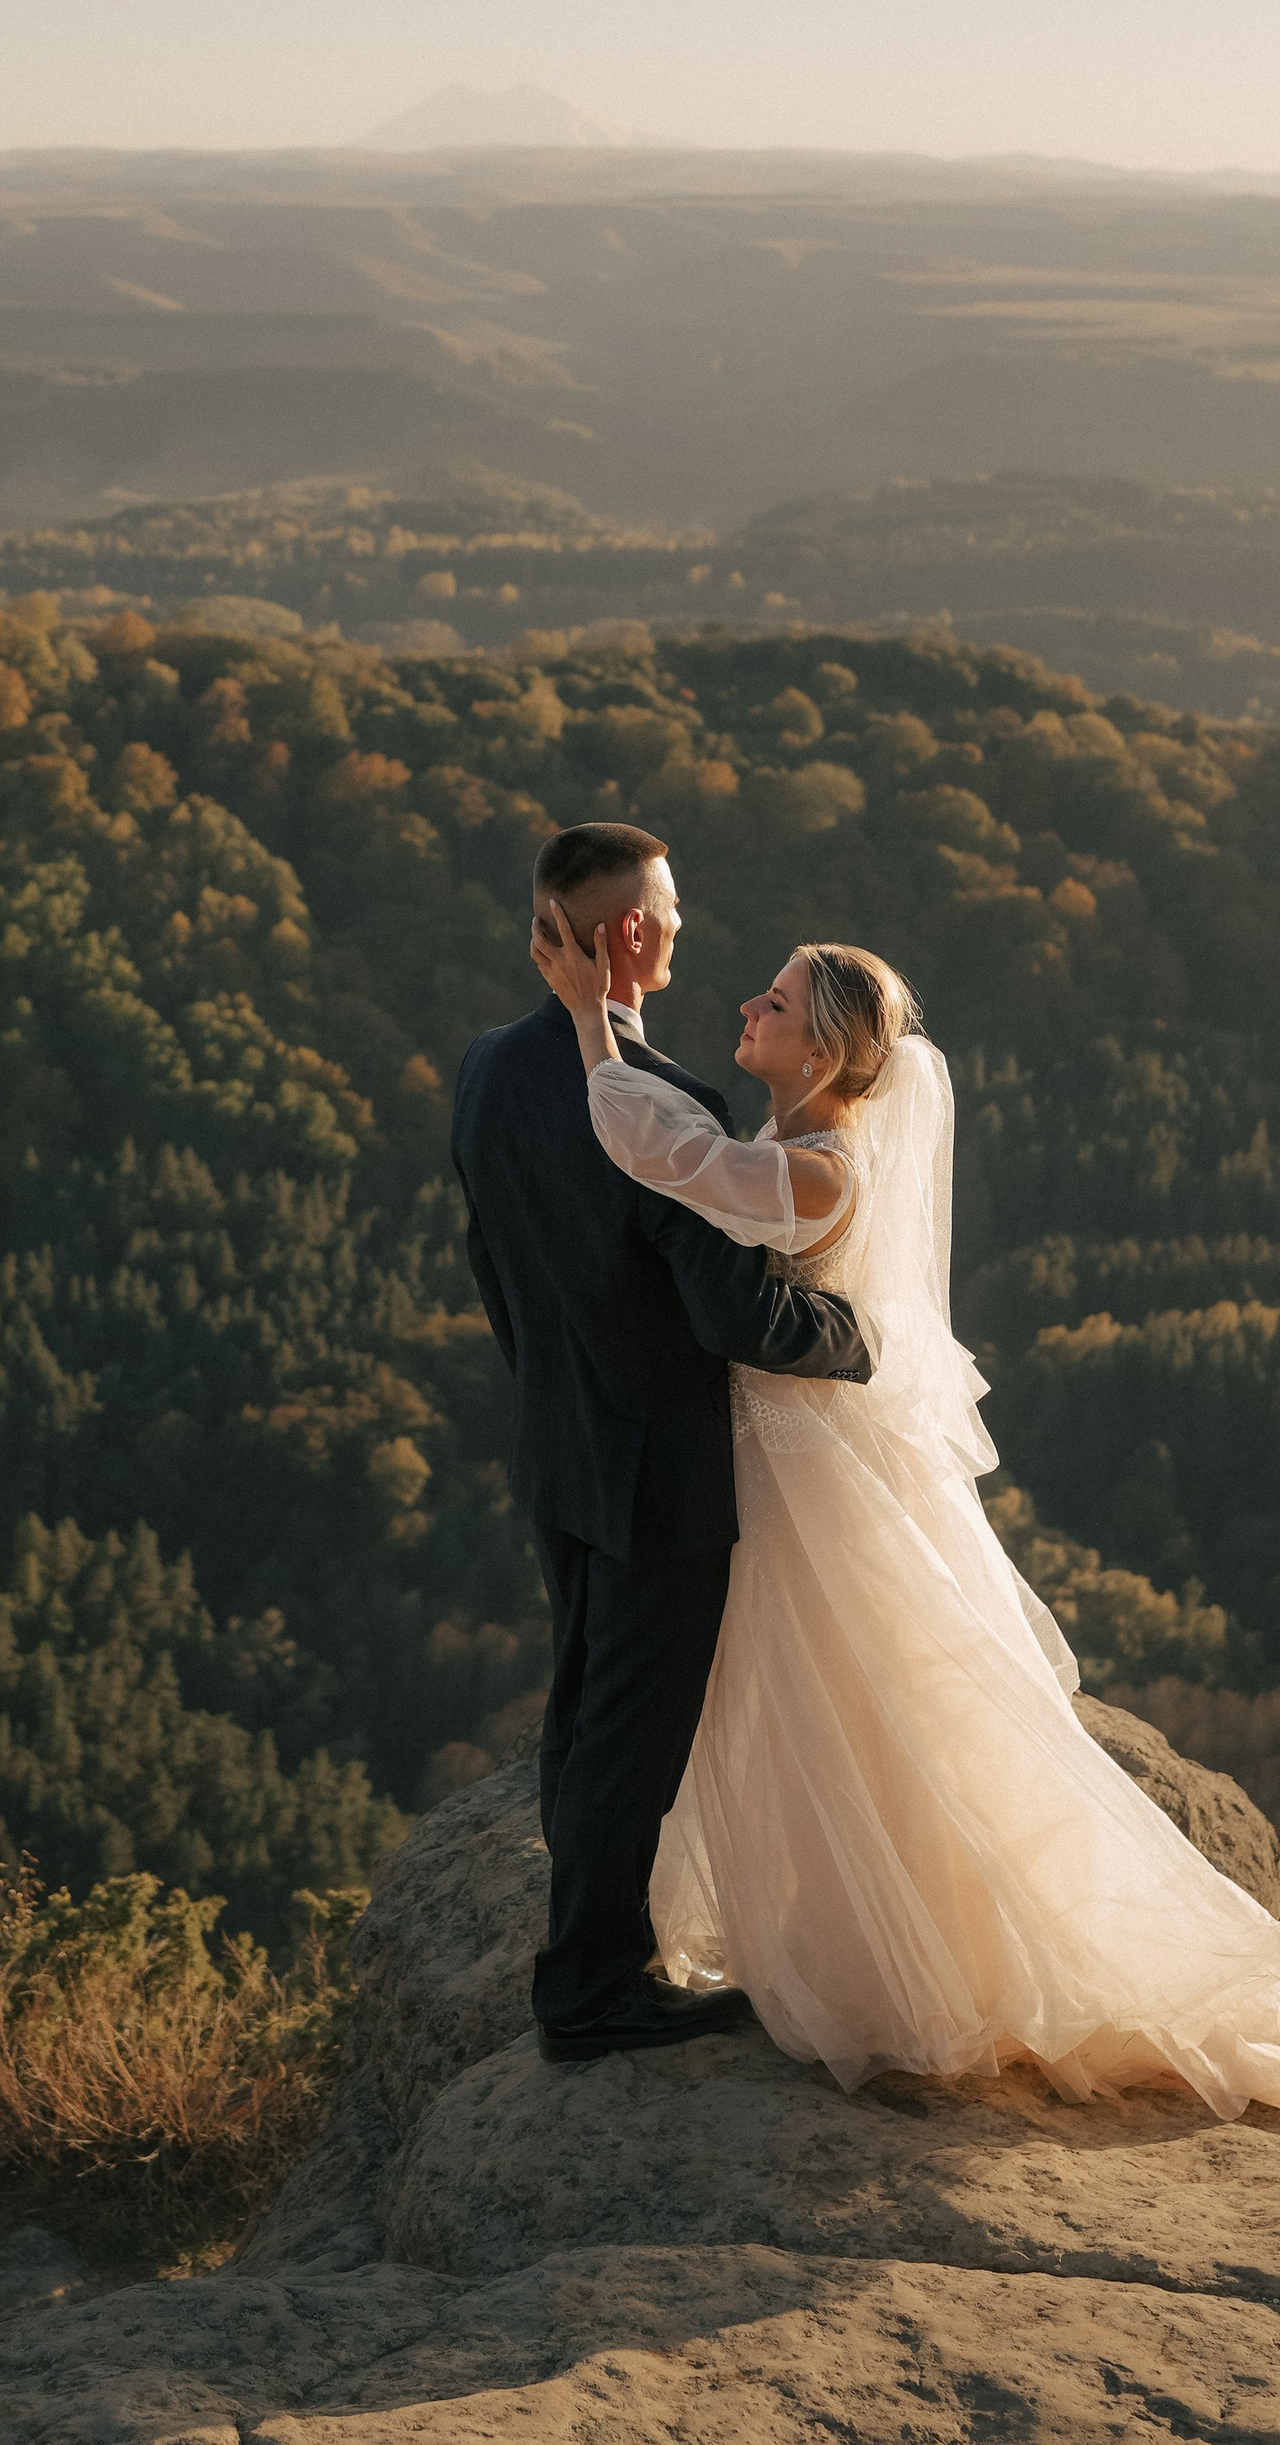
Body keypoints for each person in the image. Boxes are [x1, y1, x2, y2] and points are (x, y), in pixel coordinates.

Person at [525, 901, 1280, 2135]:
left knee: (847, 1697)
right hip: (786, 1453)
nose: (749, 1009)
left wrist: (590, 1024)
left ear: (817, 1053)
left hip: (801, 1469)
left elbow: (664, 1159)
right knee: (816, 1699)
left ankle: (903, 1957)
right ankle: (844, 1928)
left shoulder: (815, 1165)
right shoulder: (808, 1133)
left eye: (773, 1002)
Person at [449, 821, 874, 2065]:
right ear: (628, 931)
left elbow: (494, 1265)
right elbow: (730, 1308)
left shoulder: (485, 1065)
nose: (685, 922)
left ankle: (590, 1957)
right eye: (671, 906)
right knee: (631, 1733)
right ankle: (590, 1990)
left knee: (584, 1711)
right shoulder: (668, 1102)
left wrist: (550, 1395)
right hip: (659, 1471)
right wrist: (858, 1340)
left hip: (560, 1443)